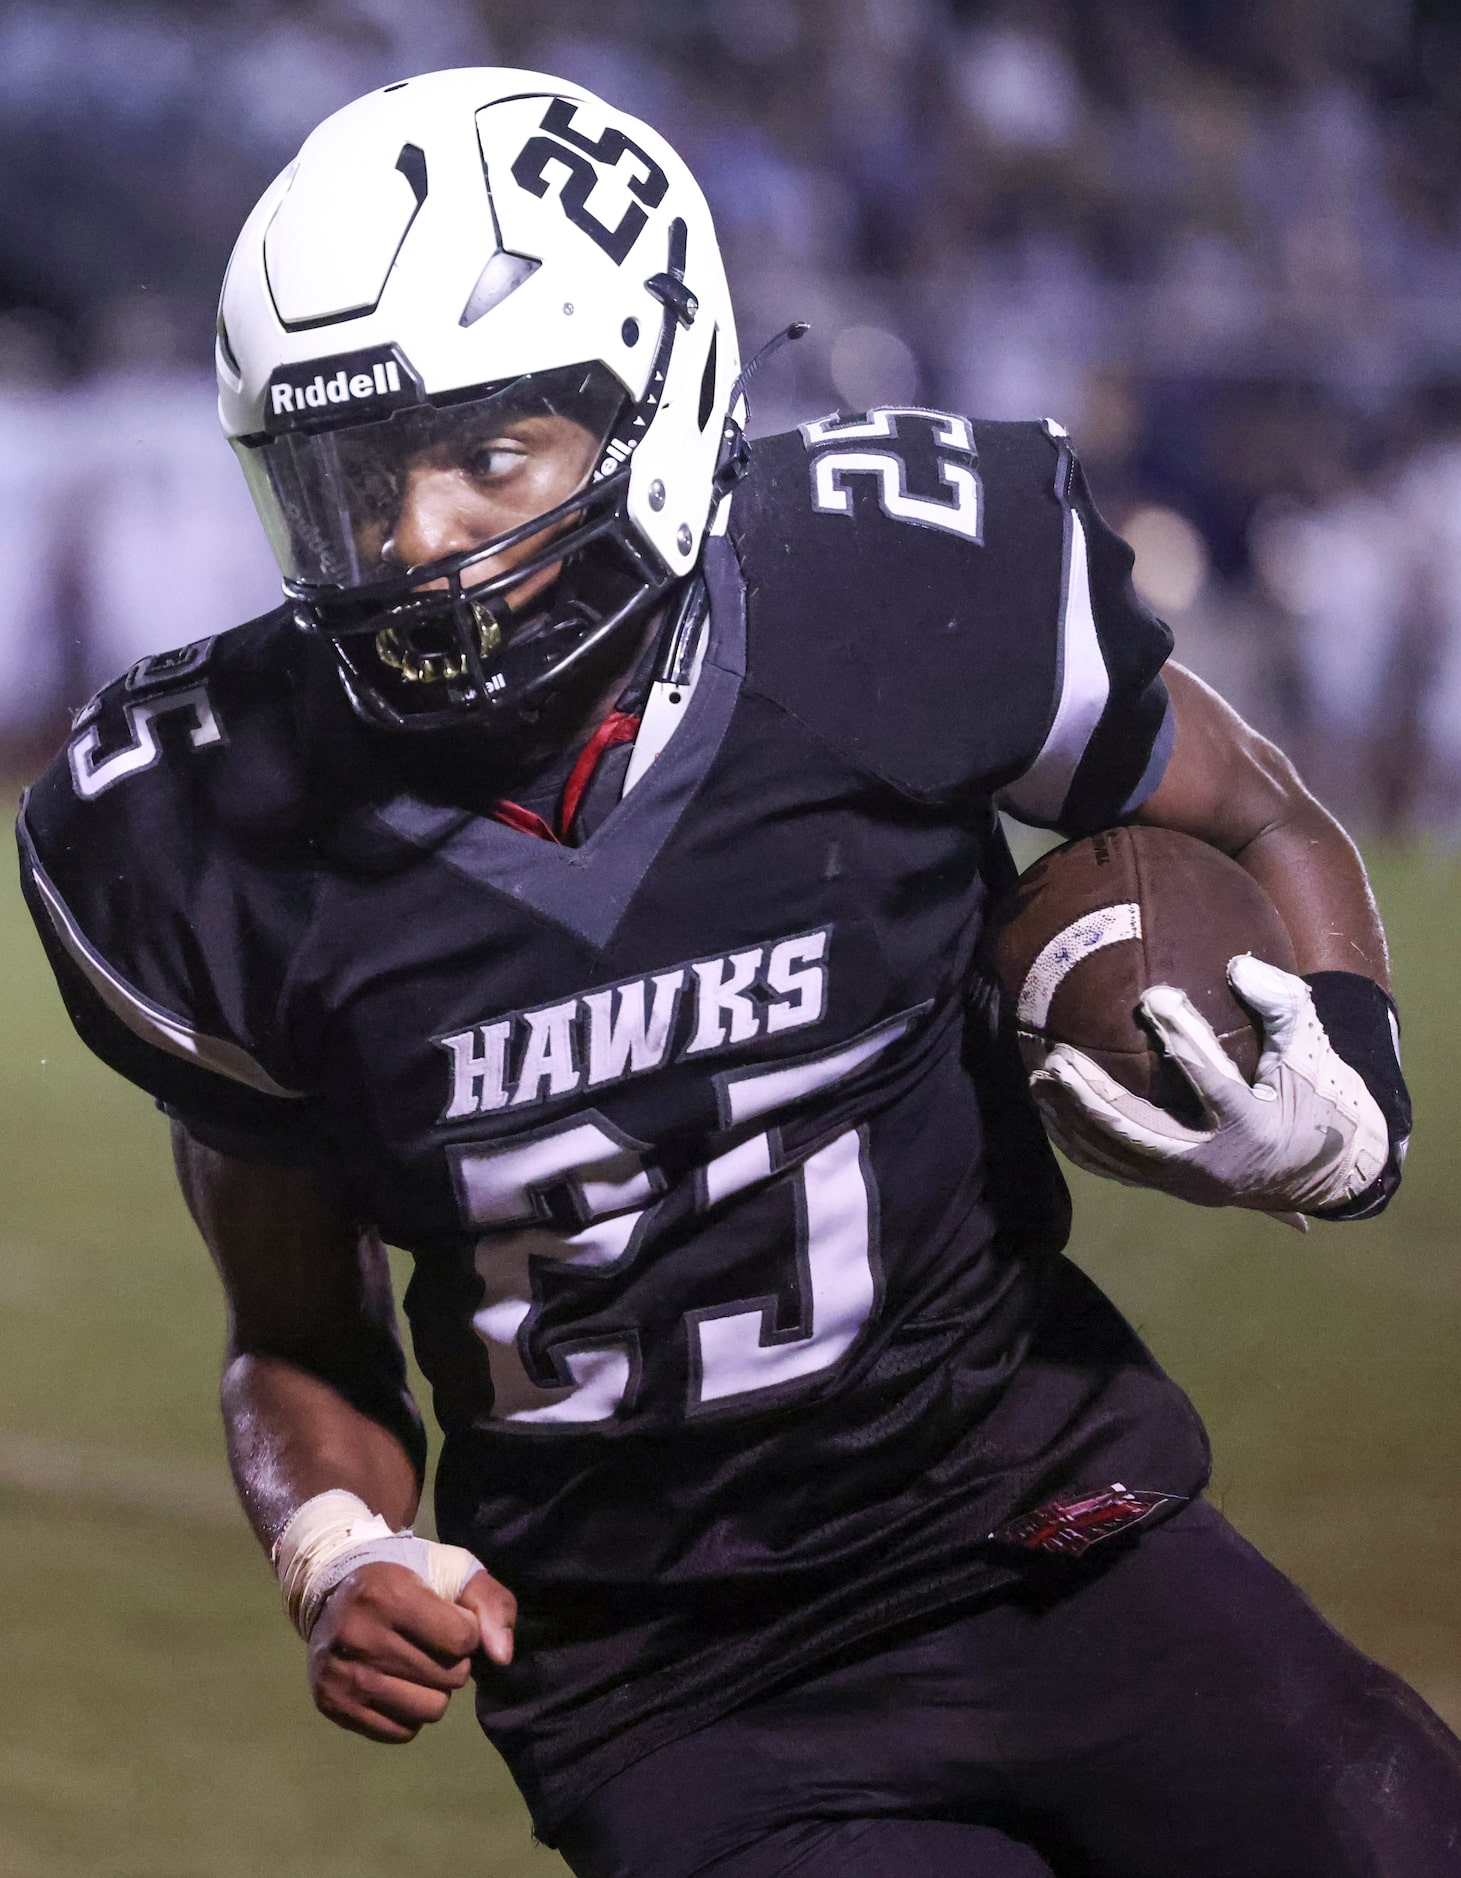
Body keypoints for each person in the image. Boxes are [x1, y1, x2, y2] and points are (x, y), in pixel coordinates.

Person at [17, 68, 1459, 1878]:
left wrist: (1338, 1085)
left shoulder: (894, 584)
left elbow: (1259, 814)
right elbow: (298, 1331)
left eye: (484, 454)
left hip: (1047, 1528)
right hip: (678, 1686)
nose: (412, 542)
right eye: (356, 477)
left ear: (661, 396)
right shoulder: (200, 825)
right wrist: (337, 1546)